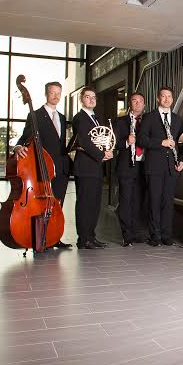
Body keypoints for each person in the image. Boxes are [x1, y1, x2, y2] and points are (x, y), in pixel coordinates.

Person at [14, 81, 72, 248]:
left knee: (57, 203)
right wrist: (18, 147)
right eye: (52, 92)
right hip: (43, 167)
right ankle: (41, 237)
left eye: (58, 93)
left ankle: (55, 236)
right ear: (46, 94)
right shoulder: (36, 115)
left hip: (60, 168)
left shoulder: (61, 117)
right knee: (42, 204)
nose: (55, 96)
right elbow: (26, 137)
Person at [137, 86, 183, 246]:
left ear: (172, 99)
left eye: (169, 96)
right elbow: (142, 140)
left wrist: (182, 160)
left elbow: (182, 144)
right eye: (163, 96)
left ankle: (166, 234)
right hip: (154, 167)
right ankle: (155, 235)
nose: (166, 99)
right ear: (158, 99)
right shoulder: (149, 117)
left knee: (168, 202)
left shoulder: (178, 119)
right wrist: (161, 143)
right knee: (154, 201)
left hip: (171, 168)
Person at [70, 87, 113, 249]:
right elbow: (85, 142)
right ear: (82, 99)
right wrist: (101, 155)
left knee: (94, 204)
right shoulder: (80, 118)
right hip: (85, 167)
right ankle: (83, 239)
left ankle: (91, 236)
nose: (91, 100)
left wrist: (107, 151)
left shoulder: (96, 118)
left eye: (93, 97)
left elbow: (101, 139)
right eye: (88, 97)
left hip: (95, 167)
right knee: (84, 204)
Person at [114, 93, 148, 246]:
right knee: (126, 200)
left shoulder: (149, 121)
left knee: (138, 201)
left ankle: (136, 232)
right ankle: (126, 234)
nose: (137, 103)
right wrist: (126, 142)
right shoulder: (120, 121)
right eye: (134, 100)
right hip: (126, 165)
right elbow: (113, 143)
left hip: (144, 166)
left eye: (140, 101)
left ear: (144, 104)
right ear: (130, 103)